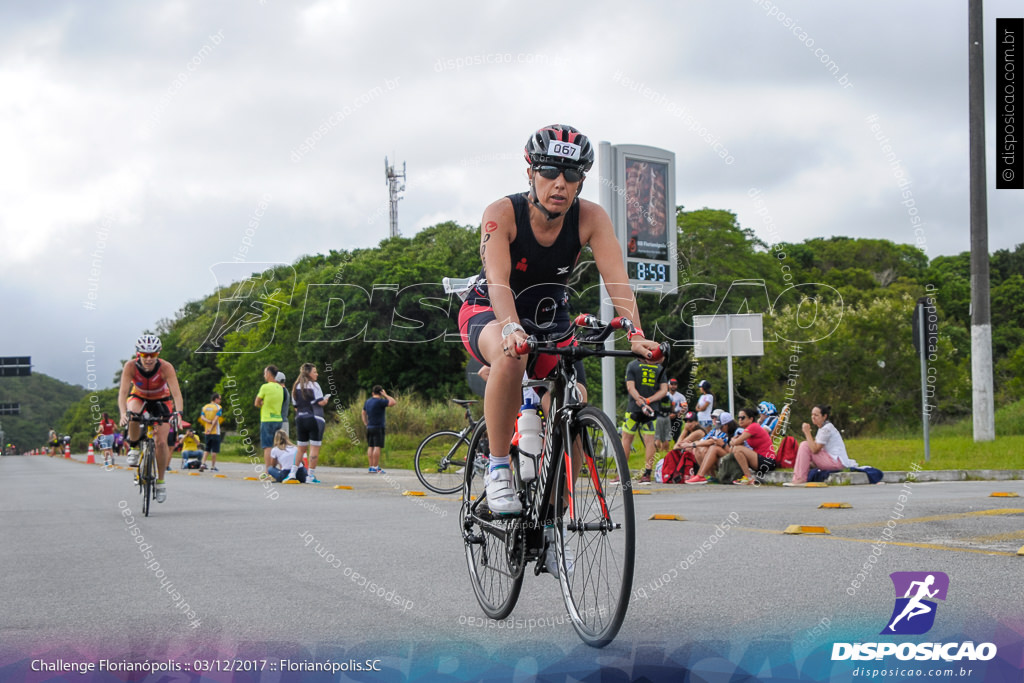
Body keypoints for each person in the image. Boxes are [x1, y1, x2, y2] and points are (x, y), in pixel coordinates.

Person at [457, 124, 660, 517]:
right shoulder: (502, 213)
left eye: (571, 175)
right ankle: (498, 468)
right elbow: (498, 280)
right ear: (530, 172)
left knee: (574, 408)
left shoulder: (591, 217)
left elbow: (616, 278)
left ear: (582, 180)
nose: (560, 184)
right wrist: (512, 327)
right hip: (490, 309)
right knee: (511, 355)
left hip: (551, 317)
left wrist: (635, 333)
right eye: (550, 172)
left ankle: (551, 519)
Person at [117, 334, 184, 504]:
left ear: (158, 353)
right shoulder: (130, 366)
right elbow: (123, 393)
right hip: (138, 398)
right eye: (144, 355)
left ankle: (161, 482)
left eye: (152, 355)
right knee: (133, 414)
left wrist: (179, 414)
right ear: (138, 354)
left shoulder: (166, 367)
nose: (148, 359)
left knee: (161, 442)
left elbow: (176, 393)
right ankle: (133, 446)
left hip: (161, 400)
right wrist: (123, 413)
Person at [784, 404, 857, 486]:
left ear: (824, 416)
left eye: (816, 415)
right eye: (812, 415)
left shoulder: (827, 429)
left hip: (836, 462)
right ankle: (798, 477)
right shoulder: (823, 428)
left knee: (805, 445)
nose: (813, 417)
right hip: (833, 460)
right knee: (806, 447)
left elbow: (815, 449)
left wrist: (807, 432)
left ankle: (799, 479)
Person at [621, 358, 669, 484]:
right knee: (650, 441)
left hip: (634, 408)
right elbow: (664, 390)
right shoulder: (659, 368)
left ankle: (622, 474)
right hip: (652, 409)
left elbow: (630, 387)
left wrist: (640, 401)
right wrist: (649, 401)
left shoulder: (632, 365)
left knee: (626, 439)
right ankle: (647, 473)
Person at [292, 363, 329, 483]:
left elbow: (296, 406)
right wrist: (326, 399)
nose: (317, 374)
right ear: (308, 373)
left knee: (301, 448)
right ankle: (310, 476)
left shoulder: (296, 386)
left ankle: (292, 473)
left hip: (300, 419)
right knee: (314, 447)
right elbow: (320, 403)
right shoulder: (315, 385)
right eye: (315, 372)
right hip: (315, 418)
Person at [684, 412, 738, 484]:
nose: (714, 420)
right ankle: (704, 475)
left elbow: (736, 452)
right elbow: (705, 441)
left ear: (727, 425)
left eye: (721, 426)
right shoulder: (720, 431)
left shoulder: (738, 432)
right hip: (730, 458)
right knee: (699, 447)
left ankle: (701, 475)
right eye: (712, 418)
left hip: (738, 461)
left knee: (713, 448)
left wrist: (723, 445)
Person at [729, 407, 779, 486]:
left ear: (751, 419)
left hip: (767, 461)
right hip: (761, 459)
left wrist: (732, 440)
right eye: (738, 418)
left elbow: (736, 442)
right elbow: (737, 443)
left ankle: (748, 478)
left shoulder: (753, 427)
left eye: (743, 417)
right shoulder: (748, 429)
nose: (740, 420)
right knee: (735, 449)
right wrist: (734, 441)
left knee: (737, 449)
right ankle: (744, 476)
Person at [254, 365, 284, 473]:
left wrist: (262, 403)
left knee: (267, 446)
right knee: (278, 446)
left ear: (268, 374)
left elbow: (256, 402)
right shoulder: (281, 388)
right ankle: (279, 469)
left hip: (267, 419)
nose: (264, 375)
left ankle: (268, 471)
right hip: (278, 419)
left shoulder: (265, 387)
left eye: (264, 373)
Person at [362, 385, 395, 474]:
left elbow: (363, 412)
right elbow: (393, 402)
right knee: (377, 446)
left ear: (373, 393)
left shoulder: (367, 402)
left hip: (370, 427)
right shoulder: (380, 401)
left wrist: (365, 423)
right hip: (378, 427)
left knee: (370, 446)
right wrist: (386, 395)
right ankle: (376, 467)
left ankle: (371, 466)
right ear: (380, 393)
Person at [198, 393, 224, 471]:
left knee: (207, 449)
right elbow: (216, 420)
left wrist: (208, 421)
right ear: (216, 399)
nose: (220, 400)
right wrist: (211, 427)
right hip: (215, 431)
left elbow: (202, 417)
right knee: (214, 450)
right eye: (219, 399)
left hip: (207, 431)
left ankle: (202, 463)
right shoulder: (218, 407)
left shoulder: (205, 407)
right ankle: (213, 466)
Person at [276, 371, 291, 437]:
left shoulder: (281, 391)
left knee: (280, 445)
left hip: (280, 422)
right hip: (284, 422)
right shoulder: (285, 390)